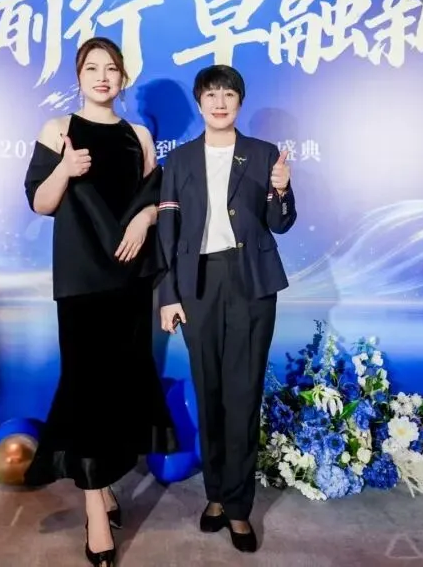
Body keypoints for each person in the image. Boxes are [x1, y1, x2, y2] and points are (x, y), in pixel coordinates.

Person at [23, 36, 177, 567]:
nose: (102, 76)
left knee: (119, 388)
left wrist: (145, 217)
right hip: (81, 279)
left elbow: (158, 199)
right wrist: (65, 169)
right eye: (92, 68)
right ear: (79, 76)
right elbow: (41, 203)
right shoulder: (58, 129)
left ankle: (104, 486)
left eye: (111, 68)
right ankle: (94, 511)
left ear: (123, 77)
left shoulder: (139, 135)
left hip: (130, 279)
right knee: (86, 388)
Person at [157, 64, 296, 553]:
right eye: (211, 95)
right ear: (200, 103)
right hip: (197, 284)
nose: (220, 102)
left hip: (251, 283)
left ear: (240, 101)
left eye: (228, 94)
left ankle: (238, 507)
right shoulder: (179, 161)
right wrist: (168, 294)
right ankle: (215, 494)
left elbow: (281, 223)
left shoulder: (264, 154)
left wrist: (281, 189)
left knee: (243, 394)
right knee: (209, 390)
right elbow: (167, 233)